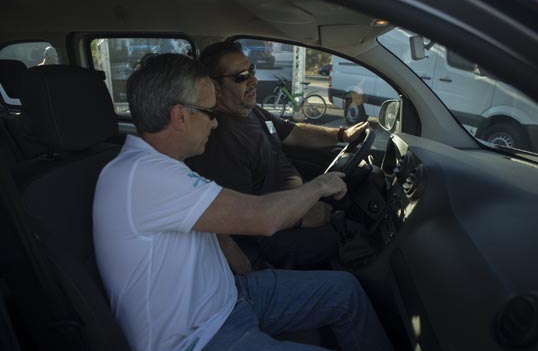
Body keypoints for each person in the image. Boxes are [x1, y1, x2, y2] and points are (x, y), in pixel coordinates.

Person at [93, 53, 392, 351]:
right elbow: (263, 218)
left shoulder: (162, 165)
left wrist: (234, 256)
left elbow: (202, 215)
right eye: (210, 113)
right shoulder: (143, 176)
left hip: (233, 295)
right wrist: (320, 186)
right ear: (180, 117)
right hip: (198, 338)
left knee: (345, 291)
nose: (214, 124)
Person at [187, 41, 370, 268]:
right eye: (241, 77)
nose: (254, 80)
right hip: (274, 235)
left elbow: (293, 132)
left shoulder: (251, 111)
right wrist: (300, 218)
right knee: (355, 247)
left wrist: (342, 135)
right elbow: (240, 219)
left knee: (355, 220)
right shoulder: (219, 139)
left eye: (251, 71)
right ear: (215, 86)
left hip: (293, 209)